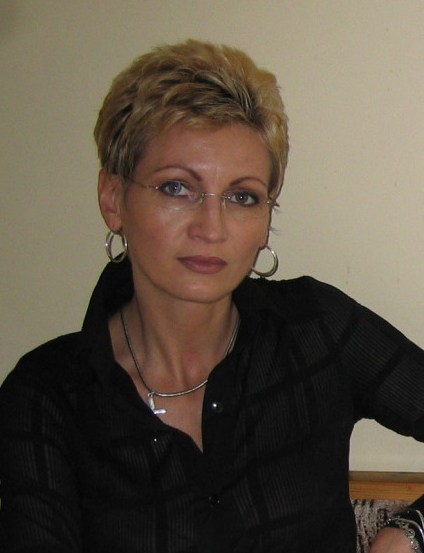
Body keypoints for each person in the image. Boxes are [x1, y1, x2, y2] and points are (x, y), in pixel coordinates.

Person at [0, 39, 423, 553]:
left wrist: (410, 534)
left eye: (242, 197)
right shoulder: (47, 397)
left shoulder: (318, 331)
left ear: (265, 222)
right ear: (113, 199)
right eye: (177, 188)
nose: (212, 227)